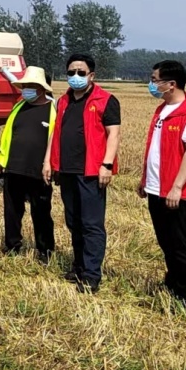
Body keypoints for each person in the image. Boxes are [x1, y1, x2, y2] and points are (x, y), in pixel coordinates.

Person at [138, 60, 186, 309]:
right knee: (166, 242)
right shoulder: (162, 110)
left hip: (176, 192)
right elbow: (156, 150)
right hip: (156, 187)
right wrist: (145, 180)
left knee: (181, 244)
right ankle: (171, 284)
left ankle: (185, 296)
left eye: (154, 80)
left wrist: (177, 187)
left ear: (171, 84)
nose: (151, 84)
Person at [49, 53, 121, 293]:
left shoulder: (106, 100)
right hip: (67, 170)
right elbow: (56, 133)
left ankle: (91, 275)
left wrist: (107, 165)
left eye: (81, 72)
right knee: (73, 221)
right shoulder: (63, 101)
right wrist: (51, 163)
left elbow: (113, 134)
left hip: (91, 171)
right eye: (71, 72)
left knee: (91, 224)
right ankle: (78, 266)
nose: (76, 76)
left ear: (92, 75)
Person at [0, 65, 56, 262]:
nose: (27, 89)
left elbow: (56, 140)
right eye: (25, 85)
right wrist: (1, 158)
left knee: (41, 212)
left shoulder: (53, 109)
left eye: (31, 85)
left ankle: (45, 251)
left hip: (40, 170)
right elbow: (8, 135)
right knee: (12, 211)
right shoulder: (19, 106)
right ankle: (12, 246)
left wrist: (51, 164)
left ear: (42, 88)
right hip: (13, 167)